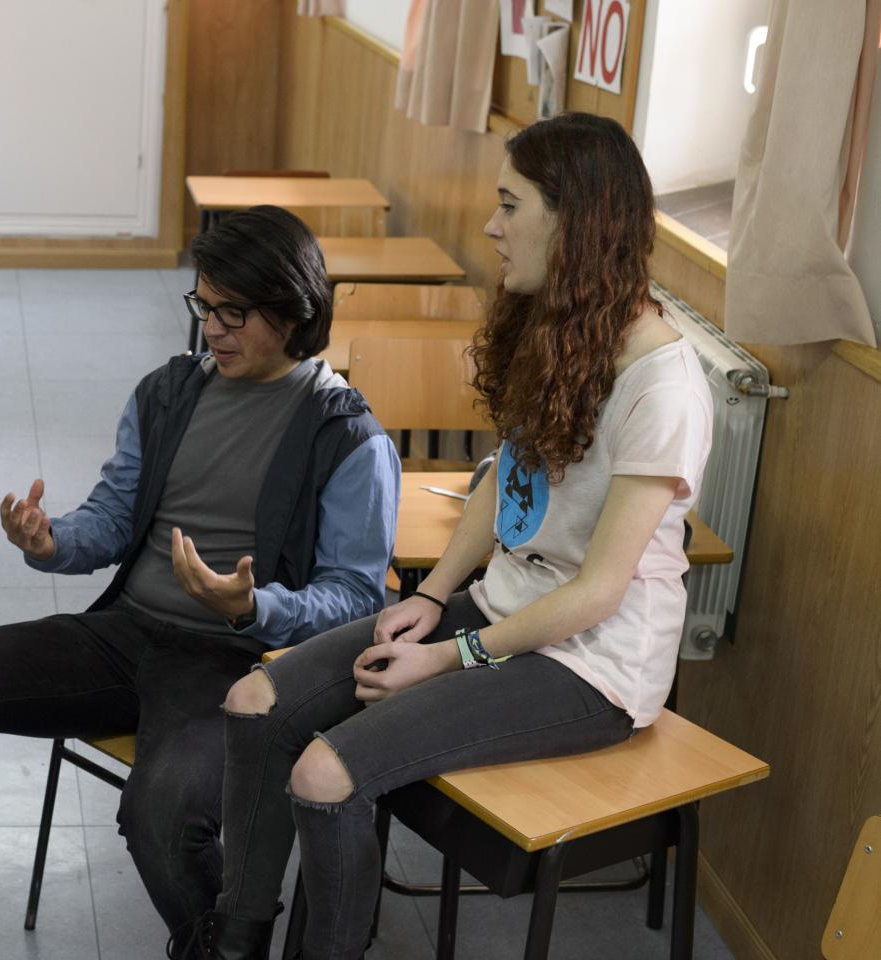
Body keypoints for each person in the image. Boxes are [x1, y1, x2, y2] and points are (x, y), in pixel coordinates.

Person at [0, 205, 401, 960]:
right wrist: (53, 539)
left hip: (233, 663)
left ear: (294, 311)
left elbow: (355, 600)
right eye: (204, 305)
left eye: (234, 313)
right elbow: (114, 516)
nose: (213, 329)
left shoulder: (347, 436)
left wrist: (254, 605)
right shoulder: (169, 392)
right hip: (125, 634)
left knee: (159, 810)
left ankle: (220, 948)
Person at [197, 113, 715, 960]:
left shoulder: (664, 387)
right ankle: (238, 940)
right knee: (256, 703)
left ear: (574, 220)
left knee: (325, 775)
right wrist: (432, 596)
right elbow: (497, 485)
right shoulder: (563, 327)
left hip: (592, 661)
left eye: (510, 206)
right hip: (499, 611)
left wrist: (446, 656)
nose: (490, 226)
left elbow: (597, 593)